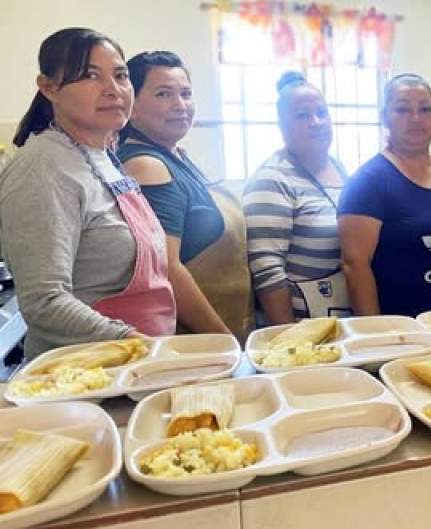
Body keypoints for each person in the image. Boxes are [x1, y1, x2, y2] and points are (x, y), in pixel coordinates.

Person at [0, 28, 175, 357]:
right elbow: (44, 302)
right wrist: (137, 344)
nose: (113, 90)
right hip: (86, 375)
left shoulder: (104, 153)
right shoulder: (44, 167)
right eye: (90, 76)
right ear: (49, 88)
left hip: (138, 364)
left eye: (121, 75)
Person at [118, 51, 253, 338]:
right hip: (195, 343)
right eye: (163, 94)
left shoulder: (174, 156)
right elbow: (165, 267)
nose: (180, 105)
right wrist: (223, 340)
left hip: (225, 330)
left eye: (186, 93)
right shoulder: (146, 166)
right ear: (133, 104)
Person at [338, 73, 431, 316]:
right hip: (405, 334)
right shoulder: (367, 182)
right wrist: (377, 335)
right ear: (384, 117)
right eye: (403, 110)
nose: (416, 118)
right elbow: (355, 267)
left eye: (425, 109)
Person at [243, 71, 351, 323]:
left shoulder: (340, 168)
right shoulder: (272, 178)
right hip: (303, 325)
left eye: (322, 113)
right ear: (282, 126)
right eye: (302, 115)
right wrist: (288, 336)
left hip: (344, 317)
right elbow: (266, 267)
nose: (316, 122)